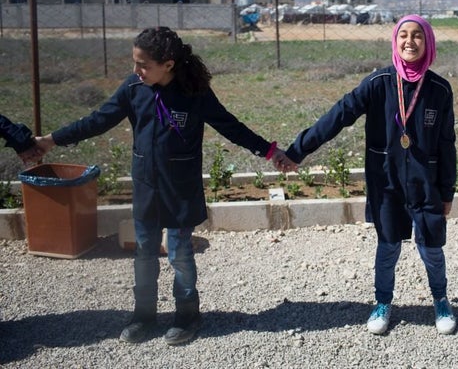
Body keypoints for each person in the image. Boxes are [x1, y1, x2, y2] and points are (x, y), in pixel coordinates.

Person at [34, 27, 292, 345]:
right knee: (144, 251)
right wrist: (50, 140)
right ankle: (143, 316)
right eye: (135, 63)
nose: (136, 70)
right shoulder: (133, 88)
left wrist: (269, 151)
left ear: (168, 64)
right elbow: (98, 120)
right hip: (146, 187)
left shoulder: (194, 92)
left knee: (179, 253)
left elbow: (230, 126)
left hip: (181, 188)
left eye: (143, 64)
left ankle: (187, 315)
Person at [283, 14, 458, 335]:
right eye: (403, 35)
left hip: (426, 186)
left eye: (417, 35)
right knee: (388, 247)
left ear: (428, 42)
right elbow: (339, 115)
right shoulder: (378, 83)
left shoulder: (439, 90)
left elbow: (447, 145)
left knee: (431, 248)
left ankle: (441, 300)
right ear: (394, 41)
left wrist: (447, 192)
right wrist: (298, 150)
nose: (409, 41)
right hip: (387, 183)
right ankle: (382, 303)